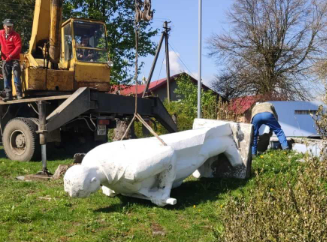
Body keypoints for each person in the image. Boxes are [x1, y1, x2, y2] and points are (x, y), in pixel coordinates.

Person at [0, 19, 23, 100]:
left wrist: (10, 56)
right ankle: (8, 95)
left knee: (16, 77)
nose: (9, 28)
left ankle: (19, 94)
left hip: (14, 60)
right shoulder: (1, 33)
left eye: (10, 27)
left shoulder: (15, 35)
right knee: (6, 78)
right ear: (4, 26)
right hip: (5, 60)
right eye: (7, 26)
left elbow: (18, 47)